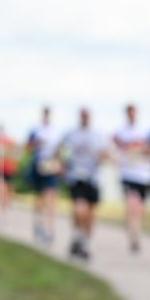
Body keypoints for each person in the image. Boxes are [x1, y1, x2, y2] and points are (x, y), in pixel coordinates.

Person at [59, 108, 108, 261]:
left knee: (90, 214)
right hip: (76, 177)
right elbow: (60, 150)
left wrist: (101, 157)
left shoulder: (97, 135)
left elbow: (106, 153)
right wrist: (62, 165)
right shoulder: (71, 134)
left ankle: (84, 242)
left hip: (93, 178)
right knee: (79, 209)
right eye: (83, 116)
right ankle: (78, 236)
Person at [113, 104, 150, 254]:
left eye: (134, 113)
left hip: (143, 175)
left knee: (140, 210)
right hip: (128, 174)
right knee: (131, 206)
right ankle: (133, 238)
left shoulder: (145, 131)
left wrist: (141, 149)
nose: (132, 116)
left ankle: (136, 231)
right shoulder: (120, 132)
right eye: (129, 113)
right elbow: (114, 147)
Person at [26, 106, 61, 245]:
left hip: (50, 165)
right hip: (38, 165)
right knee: (39, 198)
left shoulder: (55, 131)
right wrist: (36, 143)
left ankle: (49, 229)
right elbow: (28, 147)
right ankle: (38, 224)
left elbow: (59, 150)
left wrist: (58, 163)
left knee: (51, 197)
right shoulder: (36, 130)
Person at [0, 125, 19, 218]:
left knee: (7, 188)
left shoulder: (9, 141)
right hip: (0, 168)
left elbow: (15, 153)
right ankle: (2, 207)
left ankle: (5, 203)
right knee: (1, 187)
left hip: (8, 168)